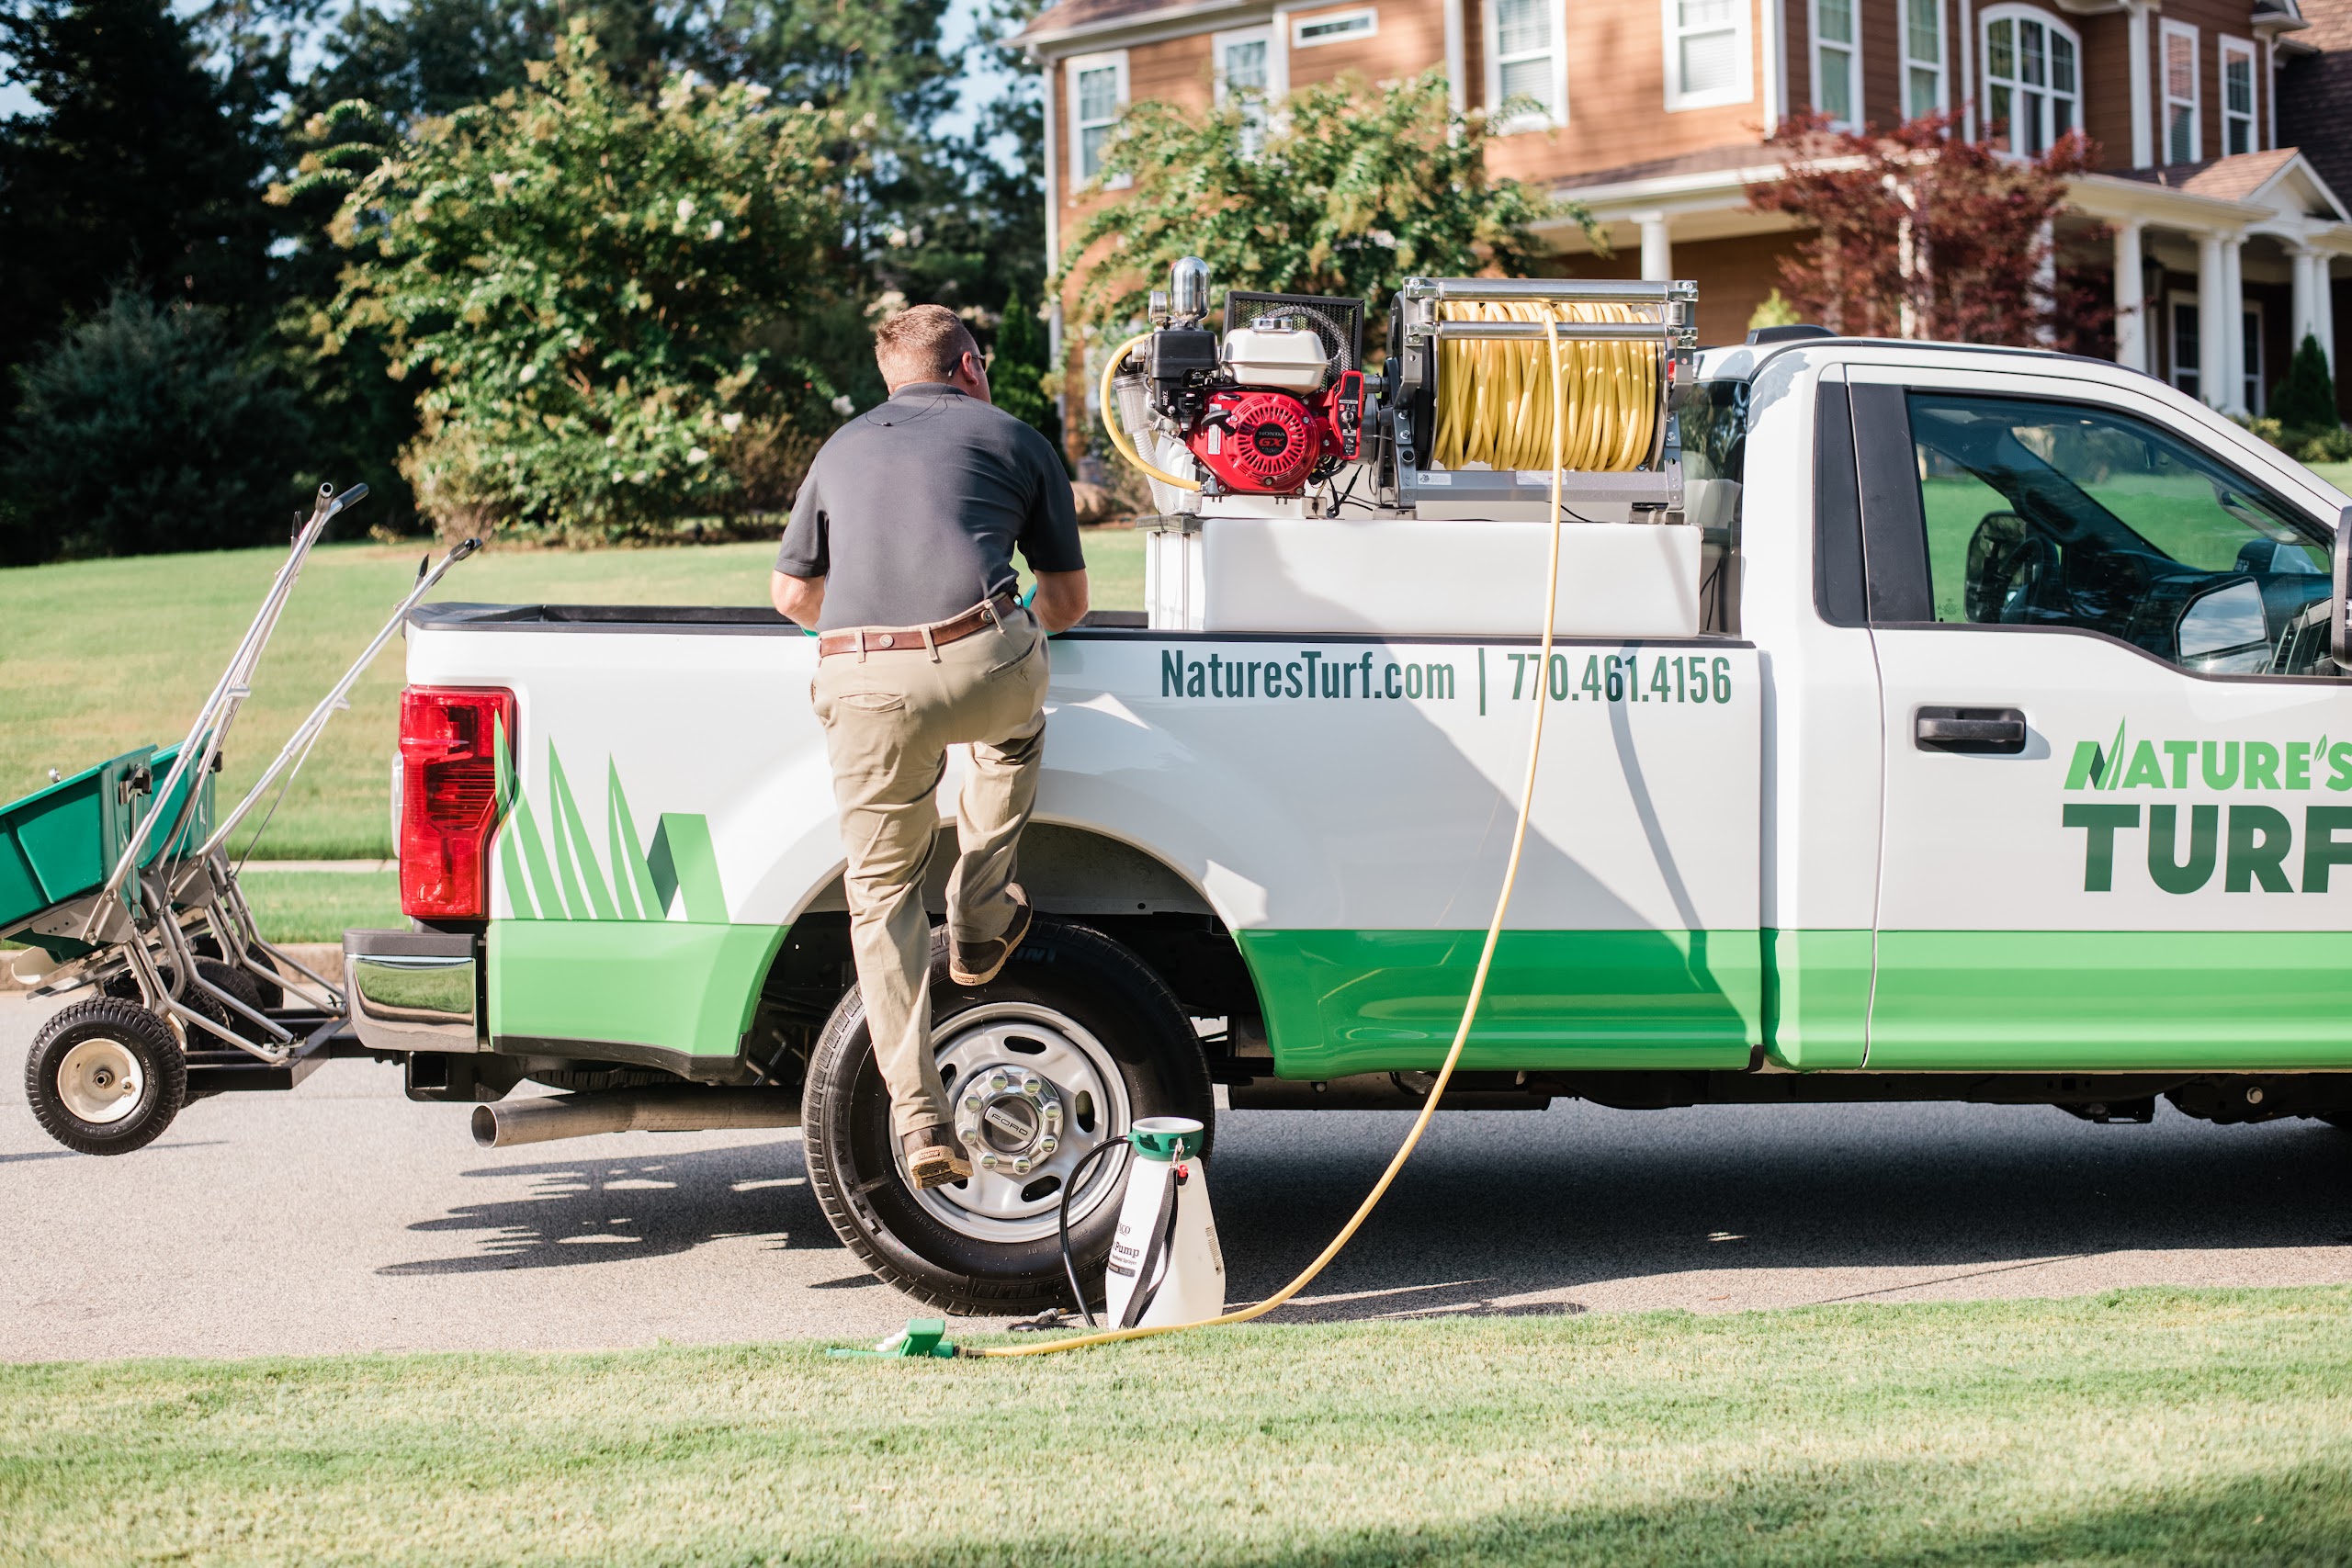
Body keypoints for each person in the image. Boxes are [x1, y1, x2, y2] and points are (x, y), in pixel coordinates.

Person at [771, 304, 1088, 1190]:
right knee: (1011, 737)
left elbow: (791, 595)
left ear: (891, 379)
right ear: (970, 366)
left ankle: (917, 1119)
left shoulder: (840, 447)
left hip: (861, 677)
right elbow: (1066, 604)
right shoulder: (1014, 437)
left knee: (879, 896)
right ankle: (980, 919)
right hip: (980, 658)